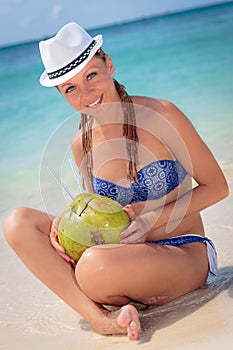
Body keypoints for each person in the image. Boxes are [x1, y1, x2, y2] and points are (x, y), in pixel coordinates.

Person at [3, 22, 229, 340]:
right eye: (70, 88)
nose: (86, 94)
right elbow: (101, 219)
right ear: (62, 95)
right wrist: (68, 238)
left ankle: (100, 289)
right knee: (18, 222)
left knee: (93, 269)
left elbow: (217, 187)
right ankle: (100, 318)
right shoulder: (81, 145)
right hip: (121, 256)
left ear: (108, 64)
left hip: (184, 253)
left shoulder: (162, 114)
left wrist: (151, 220)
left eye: (91, 75)